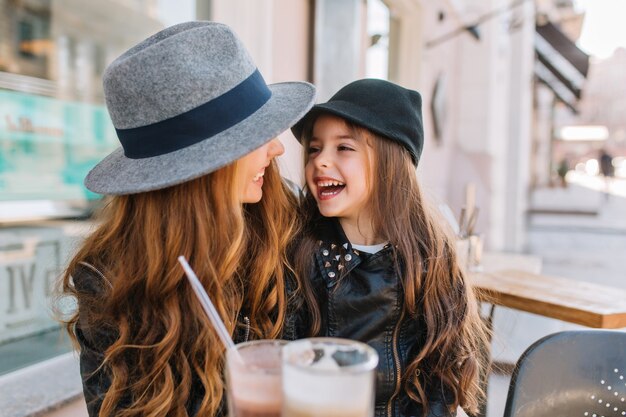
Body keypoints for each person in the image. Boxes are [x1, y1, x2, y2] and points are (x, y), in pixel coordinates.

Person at [57, 22, 315, 417]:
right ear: (204, 169)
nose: (278, 148)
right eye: (256, 135)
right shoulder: (111, 284)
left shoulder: (286, 232)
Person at [291, 79, 489, 417]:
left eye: (343, 148)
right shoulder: (300, 253)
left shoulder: (429, 257)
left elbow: (440, 382)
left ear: (390, 163)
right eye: (314, 148)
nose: (320, 161)